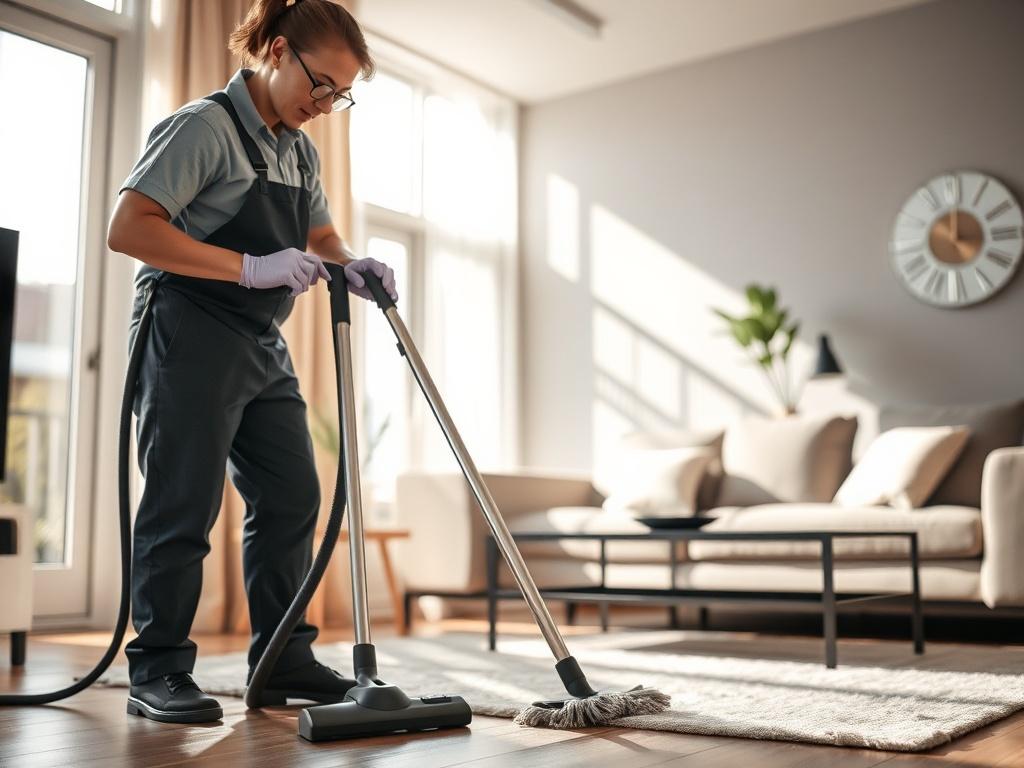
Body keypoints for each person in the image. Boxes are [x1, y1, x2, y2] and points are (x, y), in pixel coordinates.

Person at [105, 0, 393, 724]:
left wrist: (351, 264)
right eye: (320, 83)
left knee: (293, 494)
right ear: (276, 49)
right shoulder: (205, 126)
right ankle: (159, 669)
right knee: (183, 503)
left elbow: (321, 232)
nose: (325, 103)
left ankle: (282, 657)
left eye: (340, 93)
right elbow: (129, 229)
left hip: (261, 342)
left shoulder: (300, 148)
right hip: (187, 330)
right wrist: (249, 268)